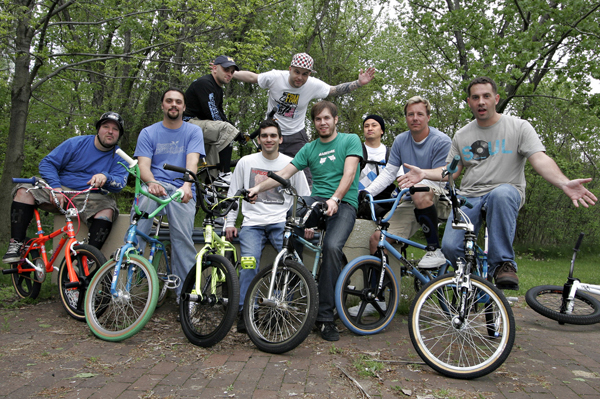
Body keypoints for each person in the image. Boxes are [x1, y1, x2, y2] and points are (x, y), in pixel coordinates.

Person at [397, 77, 596, 289]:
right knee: (449, 247)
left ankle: (502, 264)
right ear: (469, 102)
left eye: (486, 96)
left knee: (501, 194)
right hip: (470, 197)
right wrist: (424, 174)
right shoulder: (462, 135)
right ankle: (474, 283)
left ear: (496, 99)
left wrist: (564, 183)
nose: (481, 101)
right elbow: (451, 171)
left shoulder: (519, 127)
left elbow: (539, 159)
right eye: (475, 97)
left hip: (506, 191)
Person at [247, 101, 362, 341]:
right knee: (293, 217)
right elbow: (283, 174)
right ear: (314, 122)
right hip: (317, 200)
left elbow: (350, 173)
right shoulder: (309, 148)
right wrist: (257, 188)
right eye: (318, 119)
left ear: (335, 120)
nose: (323, 123)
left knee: (331, 247)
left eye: (327, 118)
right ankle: (293, 287)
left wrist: (336, 199)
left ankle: (326, 318)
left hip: (344, 203)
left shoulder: (350, 140)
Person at [3, 112, 129, 263]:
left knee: (107, 209)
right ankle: (16, 243)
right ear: (98, 129)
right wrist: (56, 187)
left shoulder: (121, 157)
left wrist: (106, 177)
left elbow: (120, 184)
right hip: (59, 190)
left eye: (115, 129)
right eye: (106, 126)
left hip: (88, 196)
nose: (110, 131)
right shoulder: (76, 143)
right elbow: (47, 163)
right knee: (24, 190)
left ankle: (89, 258)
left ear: (119, 134)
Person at [224, 119, 310, 333]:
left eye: (273, 135)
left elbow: (305, 197)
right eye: (264, 136)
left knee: (287, 264)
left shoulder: (292, 163)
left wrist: (308, 223)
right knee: (248, 263)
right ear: (259, 139)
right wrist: (229, 222)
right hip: (252, 224)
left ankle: (281, 309)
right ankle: (247, 312)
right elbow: (233, 194)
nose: (269, 139)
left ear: (280, 139)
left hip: (281, 222)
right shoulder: (245, 162)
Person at [361, 98, 451, 268]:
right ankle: (380, 290)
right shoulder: (401, 140)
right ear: (406, 118)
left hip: (439, 196)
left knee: (418, 189)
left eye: (420, 114)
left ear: (428, 117)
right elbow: (389, 173)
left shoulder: (441, 140)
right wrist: (367, 192)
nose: (415, 118)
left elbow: (446, 174)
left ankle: (434, 249)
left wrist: (423, 174)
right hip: (412, 199)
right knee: (376, 239)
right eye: (410, 114)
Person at [233, 52, 375, 158]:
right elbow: (253, 77)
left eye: (305, 74)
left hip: (296, 135)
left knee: (304, 173)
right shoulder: (275, 77)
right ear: (290, 69)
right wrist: (229, 73)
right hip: (273, 132)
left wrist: (358, 83)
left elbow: (333, 90)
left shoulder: (312, 84)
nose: (300, 78)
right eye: (297, 72)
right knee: (267, 170)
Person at [133, 88, 205, 298]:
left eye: (178, 102)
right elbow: (143, 166)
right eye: (169, 101)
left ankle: (186, 296)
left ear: (183, 107)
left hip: (180, 187)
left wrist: (187, 185)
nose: (174, 105)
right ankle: (128, 281)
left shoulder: (193, 132)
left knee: (183, 240)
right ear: (163, 105)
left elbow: (192, 161)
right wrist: (152, 182)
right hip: (153, 187)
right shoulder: (148, 132)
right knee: (138, 231)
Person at [184, 55, 240, 183]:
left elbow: (220, 113)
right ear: (214, 68)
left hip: (201, 126)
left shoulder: (218, 89)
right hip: (187, 124)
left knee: (212, 170)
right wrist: (233, 131)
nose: (229, 74)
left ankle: (210, 191)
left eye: (232, 72)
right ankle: (225, 172)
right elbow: (212, 113)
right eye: (226, 70)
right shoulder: (205, 83)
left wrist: (237, 132)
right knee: (227, 130)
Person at [357, 114, 396, 219]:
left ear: (382, 130)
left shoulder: (390, 153)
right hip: (358, 202)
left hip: (383, 203)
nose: (370, 128)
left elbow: (401, 176)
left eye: (374, 125)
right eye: (366, 126)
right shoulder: (356, 150)